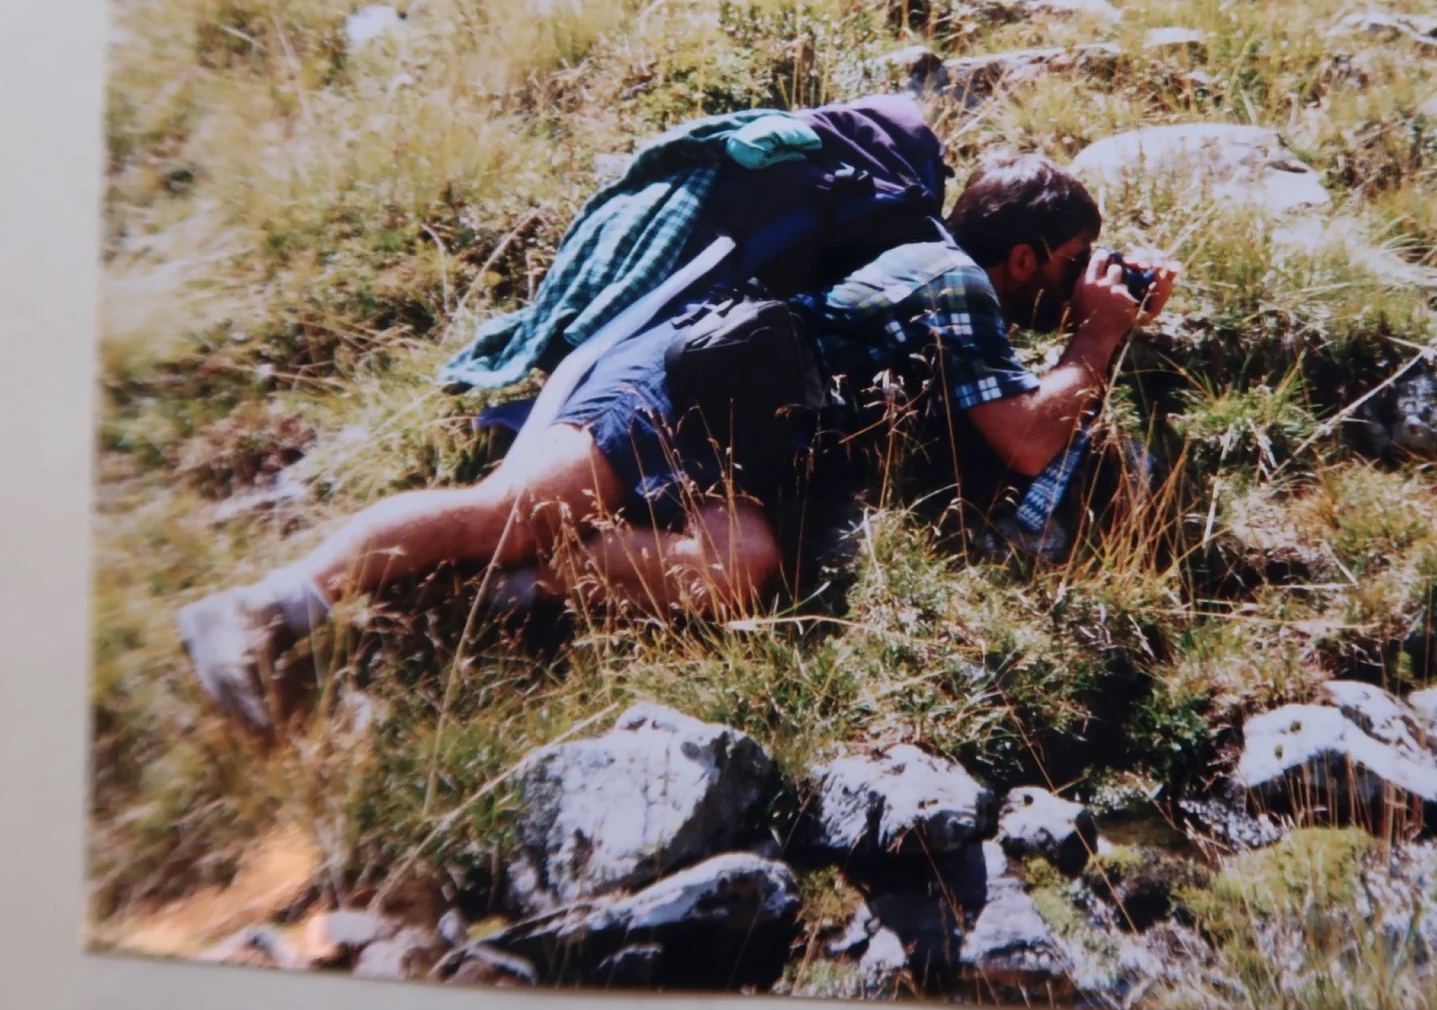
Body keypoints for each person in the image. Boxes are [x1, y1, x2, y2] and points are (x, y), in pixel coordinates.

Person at [174, 153, 1176, 734]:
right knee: (510, 511)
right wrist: (1097, 336)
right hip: (680, 385)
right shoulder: (949, 277)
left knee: (739, 563)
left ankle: (469, 598)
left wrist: (1100, 329)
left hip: (752, 438)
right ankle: (262, 609)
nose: (1082, 277)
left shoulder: (959, 294)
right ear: (1024, 257)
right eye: (1075, 261)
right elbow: (1029, 441)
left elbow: (1018, 423)